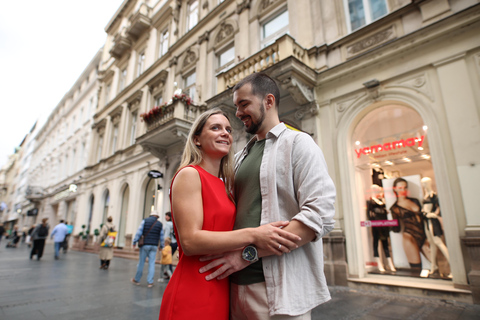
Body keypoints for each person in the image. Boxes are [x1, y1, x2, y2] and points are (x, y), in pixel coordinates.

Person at [199, 74, 336, 319]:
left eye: (244, 104)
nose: (238, 113)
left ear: (268, 101)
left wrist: (246, 255)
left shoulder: (299, 143)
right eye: (236, 106)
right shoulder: (240, 156)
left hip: (278, 289)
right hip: (233, 284)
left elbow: (320, 214)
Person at [158, 108, 301, 320]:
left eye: (228, 129)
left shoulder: (223, 184)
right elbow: (189, 242)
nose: (225, 133)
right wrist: (254, 234)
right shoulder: (190, 174)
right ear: (196, 139)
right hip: (194, 287)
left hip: (222, 285)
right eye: (215, 128)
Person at [390, 177, 431, 269]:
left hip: (424, 235)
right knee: (416, 268)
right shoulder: (394, 208)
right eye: (400, 188)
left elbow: (424, 218)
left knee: (435, 263)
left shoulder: (415, 200)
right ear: (395, 189)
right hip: (409, 237)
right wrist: (384, 223)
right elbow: (397, 228)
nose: (403, 190)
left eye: (405, 187)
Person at [421, 177, 451, 277]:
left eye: (426, 183)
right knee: (432, 244)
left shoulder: (434, 196)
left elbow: (439, 207)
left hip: (432, 221)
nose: (424, 185)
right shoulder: (426, 196)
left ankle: (453, 268)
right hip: (426, 221)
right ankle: (433, 266)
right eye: (423, 183)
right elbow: (424, 210)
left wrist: (434, 214)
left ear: (430, 183)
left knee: (438, 242)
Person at [367, 184, 395, 272]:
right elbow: (369, 214)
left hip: (384, 224)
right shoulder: (370, 202)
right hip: (376, 224)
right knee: (376, 243)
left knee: (385, 243)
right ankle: (379, 264)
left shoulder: (382, 201)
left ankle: (390, 263)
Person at [131, 211, 164, 288]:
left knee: (141, 262)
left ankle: (137, 280)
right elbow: (162, 236)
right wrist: (161, 246)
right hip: (154, 245)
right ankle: (150, 282)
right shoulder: (159, 224)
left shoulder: (145, 221)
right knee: (152, 263)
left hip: (145, 245)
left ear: (151, 215)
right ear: (157, 217)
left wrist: (135, 241)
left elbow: (139, 232)